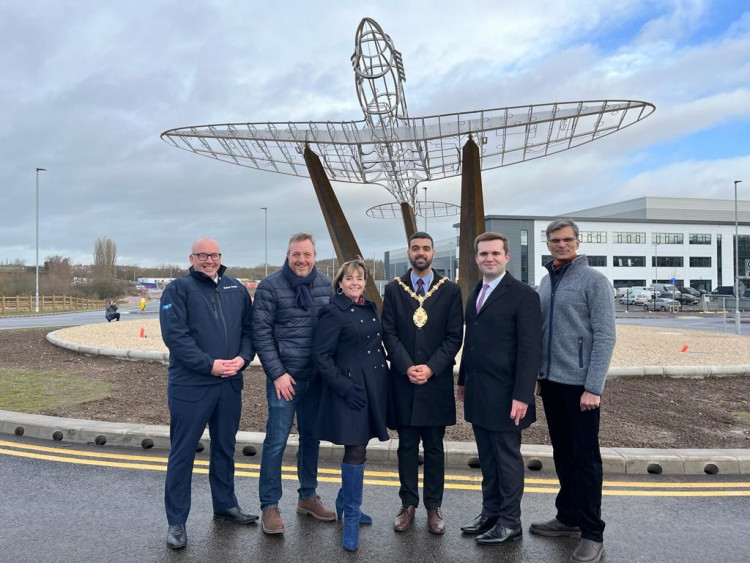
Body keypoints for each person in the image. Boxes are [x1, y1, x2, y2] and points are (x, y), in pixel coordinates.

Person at [159, 238, 257, 550]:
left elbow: (249, 330)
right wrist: (209, 365)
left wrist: (243, 359)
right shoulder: (178, 289)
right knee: (183, 453)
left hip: (229, 384)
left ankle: (225, 505)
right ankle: (177, 521)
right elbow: (175, 336)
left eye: (214, 255)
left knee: (225, 449)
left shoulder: (235, 287)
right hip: (191, 386)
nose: (209, 260)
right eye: (203, 255)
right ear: (192, 258)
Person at [530, 219, 616, 563]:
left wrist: (593, 387)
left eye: (567, 239)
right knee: (563, 455)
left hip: (581, 387)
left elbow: (606, 336)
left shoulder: (594, 281)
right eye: (555, 240)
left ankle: (593, 533)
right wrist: (539, 374)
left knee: (585, 460)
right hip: (552, 384)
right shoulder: (546, 280)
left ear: (577, 242)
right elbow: (542, 330)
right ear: (548, 244)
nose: (561, 245)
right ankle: (568, 517)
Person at [457, 232, 542, 546]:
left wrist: (523, 395)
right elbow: (472, 343)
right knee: (488, 459)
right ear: (477, 258)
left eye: (494, 253)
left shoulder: (523, 295)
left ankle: (509, 522)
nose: (488, 258)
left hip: (508, 396)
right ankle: (490, 513)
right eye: (483, 254)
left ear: (507, 257)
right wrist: (463, 379)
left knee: (506, 460)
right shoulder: (476, 292)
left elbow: (530, 350)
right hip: (479, 392)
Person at [252, 232, 335, 534]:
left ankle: (308, 497)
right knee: (276, 442)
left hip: (316, 379)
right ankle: (269, 505)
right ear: (287, 255)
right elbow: (260, 333)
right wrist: (277, 373)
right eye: (296, 254)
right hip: (284, 380)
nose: (302, 260)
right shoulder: (270, 286)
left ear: (315, 255)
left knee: (311, 439)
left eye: (307, 254)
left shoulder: (326, 285)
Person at [381, 231, 463, 535]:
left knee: (434, 448)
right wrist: (406, 366)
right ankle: (407, 504)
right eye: (415, 248)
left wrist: (430, 368)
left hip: (435, 382)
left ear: (432, 253)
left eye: (426, 248)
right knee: (405, 447)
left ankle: (433, 506)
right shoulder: (393, 289)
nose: (421, 253)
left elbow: (454, 336)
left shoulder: (450, 291)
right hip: (403, 381)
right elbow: (388, 332)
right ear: (408, 253)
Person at [312, 259, 389, 551]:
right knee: (354, 448)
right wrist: (344, 387)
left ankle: (345, 502)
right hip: (350, 389)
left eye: (360, 278)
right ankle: (352, 516)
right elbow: (321, 357)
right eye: (350, 278)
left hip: (374, 387)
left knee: (362, 444)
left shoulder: (368, 307)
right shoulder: (333, 311)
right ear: (340, 283)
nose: (355, 282)